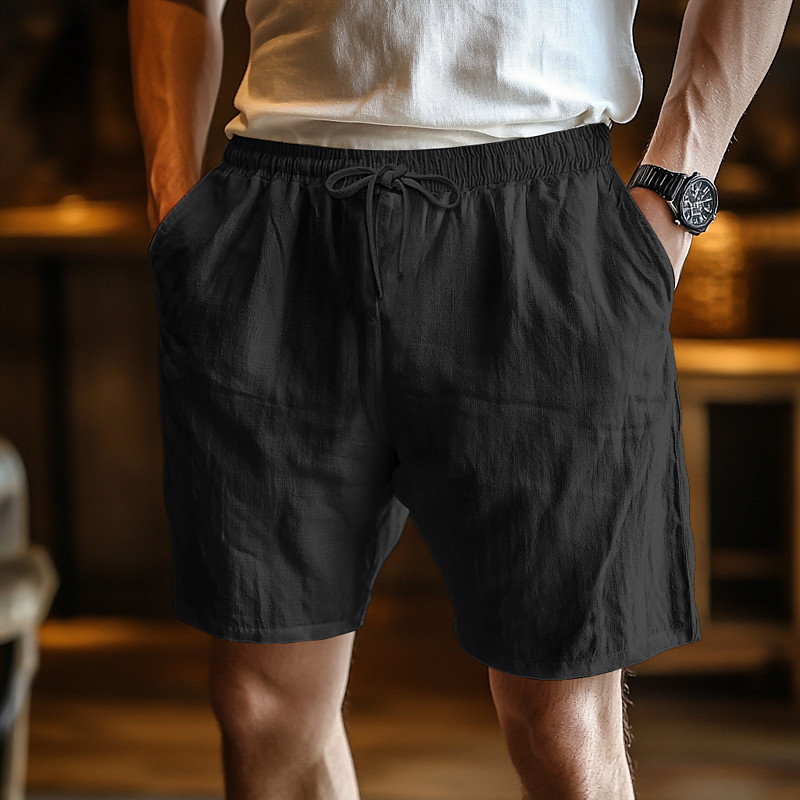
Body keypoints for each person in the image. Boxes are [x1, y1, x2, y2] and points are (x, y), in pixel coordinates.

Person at [128, 1, 794, 798]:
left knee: (562, 722)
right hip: (278, 222)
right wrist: (172, 201)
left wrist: (678, 191)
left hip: (541, 221)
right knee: (262, 705)